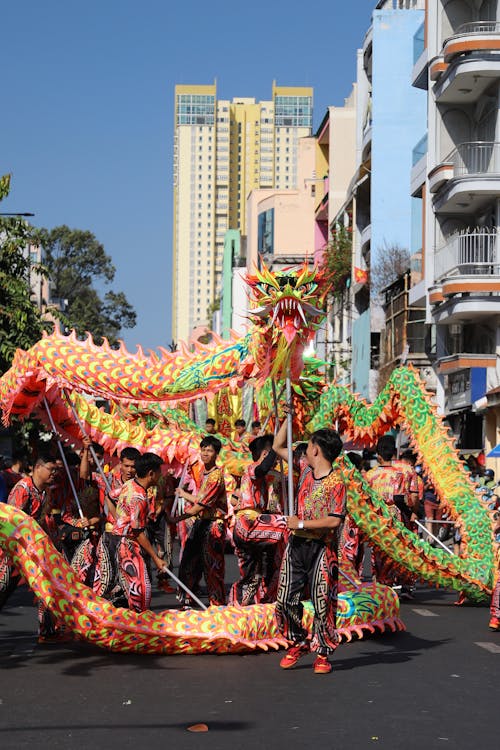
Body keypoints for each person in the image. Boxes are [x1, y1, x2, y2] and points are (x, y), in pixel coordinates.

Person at [273, 414, 347, 675]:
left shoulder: (337, 482)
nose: (305, 448)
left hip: (322, 551)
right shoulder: (304, 470)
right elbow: (278, 446)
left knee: (323, 603)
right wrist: (287, 418)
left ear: (316, 448)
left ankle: (323, 652)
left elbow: (334, 521)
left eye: (309, 444)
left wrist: (302, 524)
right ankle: (299, 640)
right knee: (283, 600)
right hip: (296, 546)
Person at [0, 453, 61, 642]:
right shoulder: (23, 488)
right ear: (37, 468)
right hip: (14, 551)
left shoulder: (46, 491)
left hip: (34, 551)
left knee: (46, 587)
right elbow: (10, 522)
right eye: (51, 470)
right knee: (2, 589)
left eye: (56, 470)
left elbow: (43, 520)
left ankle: (47, 630)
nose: (54, 474)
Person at [172, 436, 227, 607]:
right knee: (189, 561)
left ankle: (216, 605)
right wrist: (184, 494)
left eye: (209, 450)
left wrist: (175, 519)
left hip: (212, 524)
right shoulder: (204, 472)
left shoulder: (215, 476)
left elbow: (200, 506)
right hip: (202, 521)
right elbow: (200, 500)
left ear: (216, 454)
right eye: (203, 449)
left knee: (212, 567)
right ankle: (187, 599)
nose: (205, 453)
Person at [107, 452, 165, 612]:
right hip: (127, 543)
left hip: (117, 540)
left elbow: (110, 496)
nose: (161, 475)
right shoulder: (139, 497)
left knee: (130, 586)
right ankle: (138, 627)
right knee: (141, 590)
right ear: (151, 474)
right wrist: (156, 558)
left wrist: (118, 519)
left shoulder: (130, 484)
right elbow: (138, 532)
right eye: (159, 471)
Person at [229, 435, 281, 605]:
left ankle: (238, 605)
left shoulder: (267, 477)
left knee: (253, 574)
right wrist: (277, 447)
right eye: (274, 455)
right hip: (248, 524)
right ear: (266, 454)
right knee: (287, 526)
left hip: (252, 523)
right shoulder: (253, 469)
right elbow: (262, 468)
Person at [366, 435, 417, 595]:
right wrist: (414, 511)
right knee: (405, 551)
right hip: (401, 520)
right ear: (394, 452)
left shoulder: (369, 475)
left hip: (379, 522)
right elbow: (414, 498)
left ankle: (383, 585)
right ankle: (406, 585)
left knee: (381, 552)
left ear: (378, 455)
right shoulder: (408, 470)